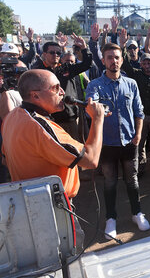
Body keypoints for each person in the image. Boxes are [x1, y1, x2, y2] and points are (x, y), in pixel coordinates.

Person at [2, 69, 104, 198]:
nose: (62, 92)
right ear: (35, 96)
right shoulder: (40, 127)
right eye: (55, 88)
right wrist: (97, 119)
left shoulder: (12, 116)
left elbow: (5, 161)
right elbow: (91, 160)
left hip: (28, 200)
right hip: (51, 204)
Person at [86, 43, 149, 240]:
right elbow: (91, 105)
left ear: (122, 60)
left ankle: (137, 213)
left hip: (129, 141)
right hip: (106, 144)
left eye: (117, 57)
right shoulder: (95, 85)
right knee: (110, 182)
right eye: (110, 57)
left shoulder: (131, 84)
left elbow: (139, 111)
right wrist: (93, 107)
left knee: (132, 180)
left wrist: (138, 135)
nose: (114, 61)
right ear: (103, 60)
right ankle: (111, 219)